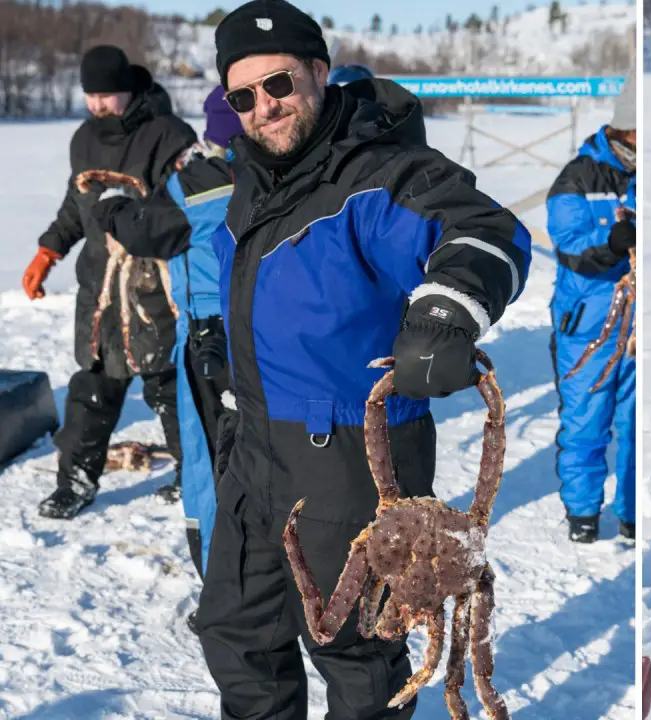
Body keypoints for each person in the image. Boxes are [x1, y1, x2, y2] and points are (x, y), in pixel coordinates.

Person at [196, 1, 531, 716]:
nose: (264, 106)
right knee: (237, 633)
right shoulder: (251, 180)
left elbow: (484, 232)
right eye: (243, 96)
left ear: (319, 72)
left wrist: (445, 313)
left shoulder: (380, 175)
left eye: (279, 83)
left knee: (358, 655)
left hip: (350, 458)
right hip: (253, 452)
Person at [22, 45, 196, 520]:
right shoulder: (84, 139)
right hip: (99, 291)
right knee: (91, 392)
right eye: (90, 95)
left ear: (129, 90)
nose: (98, 105)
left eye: (107, 95)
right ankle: (74, 482)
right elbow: (75, 205)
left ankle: (194, 476)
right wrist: (48, 250)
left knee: (172, 392)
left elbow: (185, 211)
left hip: (153, 290)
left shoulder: (169, 135)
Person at [91, 85, 241, 598]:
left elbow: (143, 228)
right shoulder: (291, 174)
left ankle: (224, 588)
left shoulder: (198, 184)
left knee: (209, 465)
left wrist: (111, 206)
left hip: (211, 339)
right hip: (273, 333)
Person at [546, 67, 636, 544]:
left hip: (640, 325)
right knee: (586, 420)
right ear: (627, 129)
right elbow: (570, 246)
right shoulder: (578, 177)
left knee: (637, 424)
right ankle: (582, 513)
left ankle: (634, 514)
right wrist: (613, 242)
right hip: (588, 323)